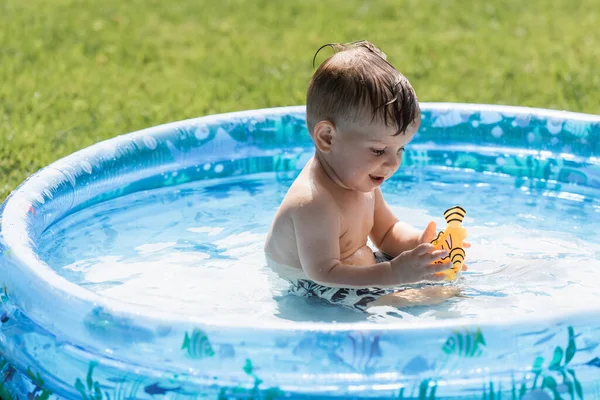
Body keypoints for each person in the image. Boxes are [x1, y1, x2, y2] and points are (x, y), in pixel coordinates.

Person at [264, 40, 468, 312]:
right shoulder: (313, 203)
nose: (393, 162)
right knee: (429, 299)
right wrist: (394, 273)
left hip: (360, 270)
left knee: (439, 277)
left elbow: (386, 232)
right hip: (314, 288)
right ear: (327, 138)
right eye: (378, 150)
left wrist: (422, 245)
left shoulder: (359, 179)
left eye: (400, 149)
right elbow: (324, 273)